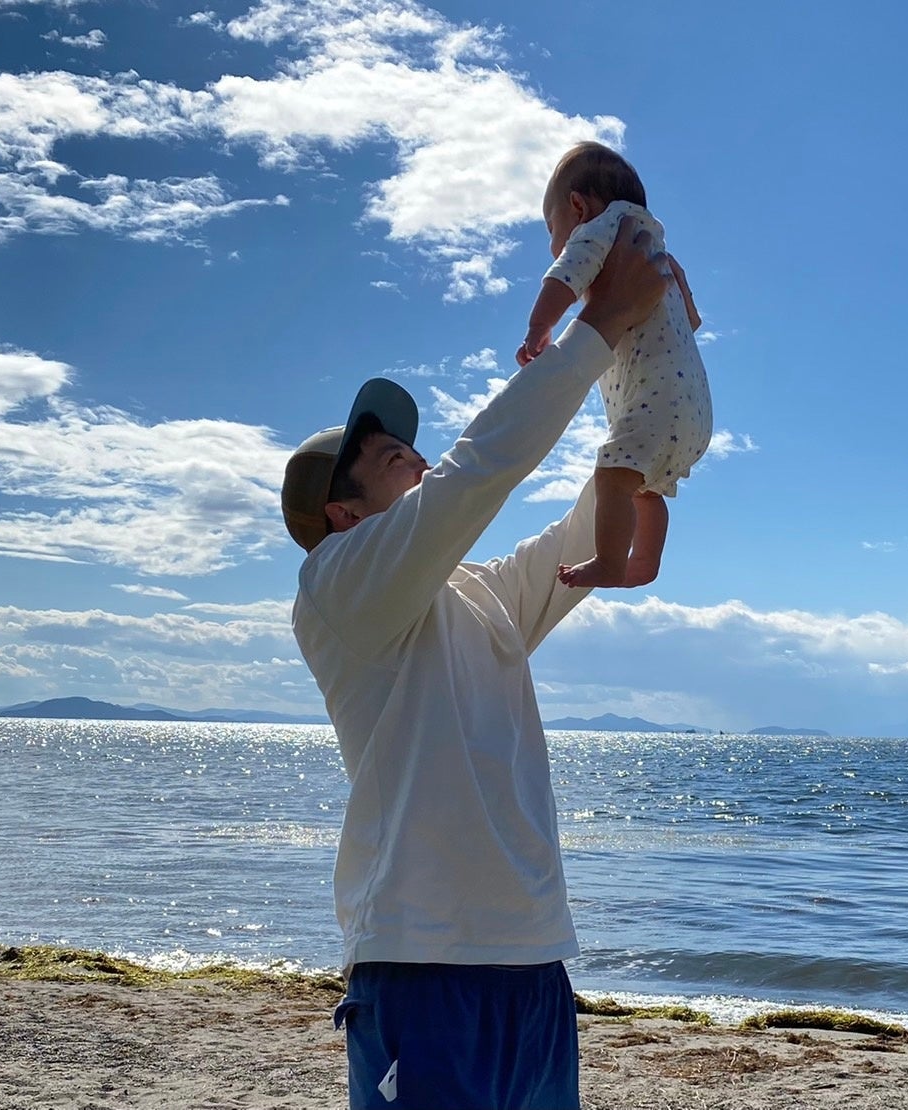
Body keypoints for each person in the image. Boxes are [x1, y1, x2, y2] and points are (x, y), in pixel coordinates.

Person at [279, 218, 671, 1110]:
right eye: (393, 459)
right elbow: (478, 473)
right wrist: (598, 322)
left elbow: (581, 535)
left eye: (413, 451)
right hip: (420, 964)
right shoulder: (336, 586)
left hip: (534, 963)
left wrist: (649, 402)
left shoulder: (478, 592)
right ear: (344, 515)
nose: (418, 460)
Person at [516, 142, 712, 590]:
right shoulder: (658, 252)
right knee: (642, 486)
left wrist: (539, 327)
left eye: (551, 228)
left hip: (658, 400)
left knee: (611, 475)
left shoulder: (605, 228)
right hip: (695, 413)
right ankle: (643, 563)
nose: (553, 243)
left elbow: (566, 275)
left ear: (578, 207)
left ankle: (610, 562)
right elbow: (693, 320)